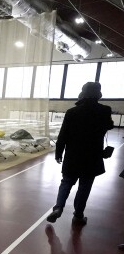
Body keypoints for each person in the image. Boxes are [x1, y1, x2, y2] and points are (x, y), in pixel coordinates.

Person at [46, 81, 113, 226]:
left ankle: (58, 207)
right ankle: (78, 215)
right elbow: (109, 126)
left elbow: (63, 135)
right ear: (99, 94)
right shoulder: (105, 110)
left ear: (82, 94)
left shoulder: (72, 112)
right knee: (85, 186)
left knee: (66, 182)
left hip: (72, 155)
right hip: (93, 156)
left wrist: (59, 152)